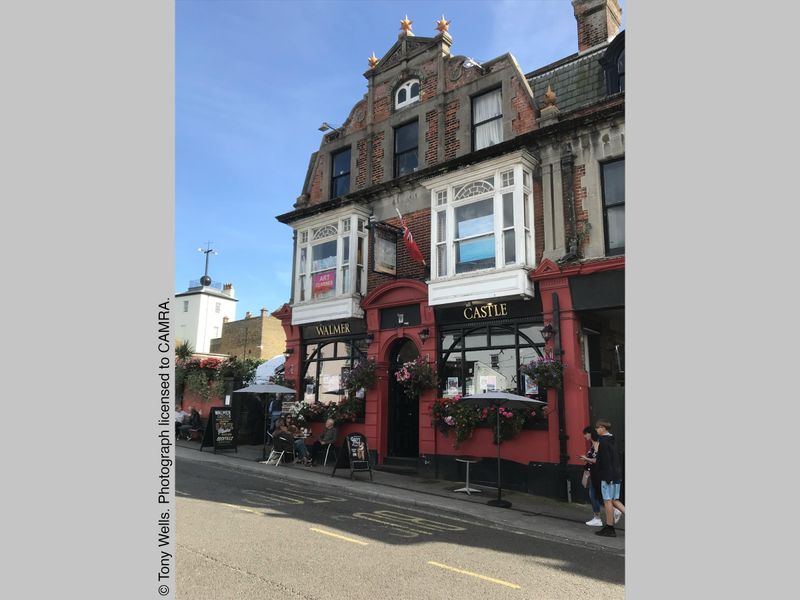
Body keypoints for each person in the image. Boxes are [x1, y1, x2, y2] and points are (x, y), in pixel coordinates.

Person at [594, 419, 625, 537]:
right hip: (616, 475)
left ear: (602, 428)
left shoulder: (603, 442)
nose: (596, 430)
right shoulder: (611, 439)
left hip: (608, 476)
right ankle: (609, 527)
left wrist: (608, 477)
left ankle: (609, 528)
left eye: (597, 428)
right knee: (614, 500)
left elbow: (606, 461)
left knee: (607, 501)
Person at [578, 426, 604, 527]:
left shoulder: (597, 444)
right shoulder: (593, 445)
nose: (584, 436)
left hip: (596, 473)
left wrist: (586, 458)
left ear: (590, 434)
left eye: (585, 434)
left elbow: (597, 460)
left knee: (594, 494)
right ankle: (598, 516)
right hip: (593, 472)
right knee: (596, 494)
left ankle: (598, 518)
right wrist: (587, 459)